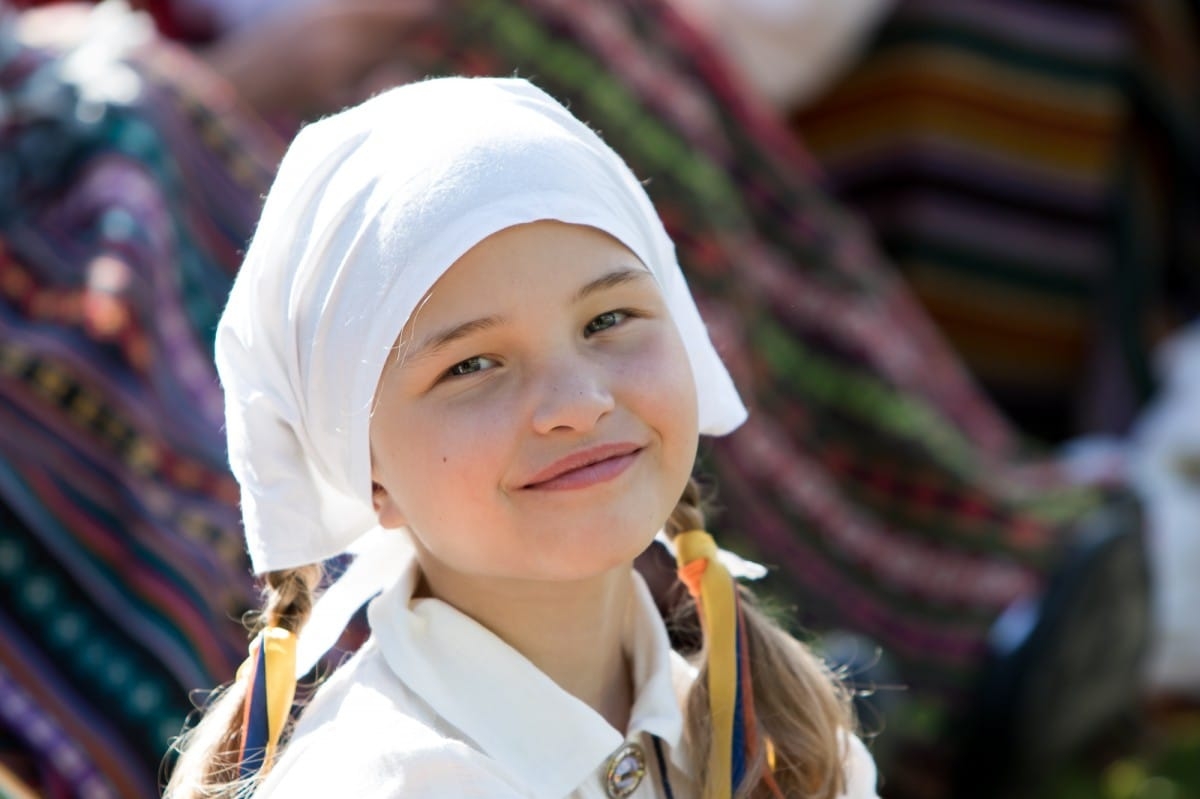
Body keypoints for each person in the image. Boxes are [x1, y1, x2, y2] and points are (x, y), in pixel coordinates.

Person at [162, 76, 879, 799]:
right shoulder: (389, 781)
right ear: (366, 469)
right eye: (472, 365)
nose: (577, 403)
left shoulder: (786, 750)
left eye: (608, 320)